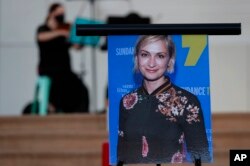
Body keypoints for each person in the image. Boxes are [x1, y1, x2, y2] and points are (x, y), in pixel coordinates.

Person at [117, 35, 211, 164]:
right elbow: (122, 156)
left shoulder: (187, 101)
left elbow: (201, 157)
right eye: (145, 55)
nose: (151, 63)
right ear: (136, 58)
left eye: (160, 56)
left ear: (170, 61)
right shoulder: (127, 101)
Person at [36, 3, 89, 113]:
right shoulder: (43, 28)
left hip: (65, 70)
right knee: (61, 83)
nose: (62, 15)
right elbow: (41, 37)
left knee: (81, 88)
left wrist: (81, 41)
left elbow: (75, 46)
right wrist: (61, 32)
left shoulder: (66, 29)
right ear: (51, 13)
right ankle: (54, 107)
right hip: (49, 69)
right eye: (59, 13)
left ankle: (76, 112)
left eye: (63, 13)